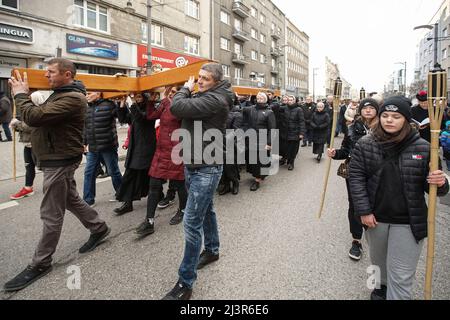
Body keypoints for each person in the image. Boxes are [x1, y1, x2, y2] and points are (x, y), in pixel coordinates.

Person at [5, 58, 110, 292]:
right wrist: (20, 125)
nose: (46, 76)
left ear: (67, 75)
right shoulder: (59, 94)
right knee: (70, 200)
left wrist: (20, 95)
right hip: (55, 158)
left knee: (51, 213)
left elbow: (36, 117)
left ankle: (41, 263)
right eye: (46, 72)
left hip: (60, 160)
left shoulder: (73, 98)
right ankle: (99, 227)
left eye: (51, 72)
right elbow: (42, 124)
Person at [349, 96, 449, 300]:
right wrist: (364, 211)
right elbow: (356, 178)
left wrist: (441, 183)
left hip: (408, 222)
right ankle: (378, 290)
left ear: (406, 119)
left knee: (401, 276)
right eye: (385, 115)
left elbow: (434, 186)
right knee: (377, 264)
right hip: (375, 219)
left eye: (396, 116)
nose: (389, 120)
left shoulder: (423, 147)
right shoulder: (365, 144)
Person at [163, 62, 233, 300]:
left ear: (216, 82)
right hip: (194, 163)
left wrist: (184, 89)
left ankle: (186, 282)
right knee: (207, 210)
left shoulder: (216, 99)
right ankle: (212, 250)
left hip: (207, 167)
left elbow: (178, 107)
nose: (199, 81)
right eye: (199, 77)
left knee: (191, 222)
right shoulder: (208, 94)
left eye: (205, 78)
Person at [327, 98, 379, 260]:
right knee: (356, 205)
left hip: (378, 173)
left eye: (372, 108)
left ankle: (377, 238)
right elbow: (345, 151)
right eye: (365, 108)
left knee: (376, 204)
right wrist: (335, 153)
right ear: (360, 110)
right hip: (354, 172)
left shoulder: (384, 128)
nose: (368, 110)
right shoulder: (352, 129)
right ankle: (356, 240)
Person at [135, 86, 187, 237]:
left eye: (175, 91)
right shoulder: (165, 103)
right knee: (154, 185)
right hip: (161, 150)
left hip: (177, 151)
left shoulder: (184, 105)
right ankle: (149, 221)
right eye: (170, 91)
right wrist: (151, 102)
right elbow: (150, 116)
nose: (172, 93)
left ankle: (182, 210)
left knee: (179, 184)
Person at [114, 92, 156, 215]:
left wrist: (131, 102)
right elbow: (123, 119)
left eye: (139, 97)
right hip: (136, 148)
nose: (136, 99)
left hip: (145, 148)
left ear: (145, 98)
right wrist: (122, 103)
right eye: (135, 97)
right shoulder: (136, 108)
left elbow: (140, 117)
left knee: (149, 175)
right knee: (130, 175)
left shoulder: (150, 108)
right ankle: (128, 203)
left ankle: (158, 195)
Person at [83, 92, 122, 207]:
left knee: (113, 171)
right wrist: (84, 143)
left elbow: (122, 117)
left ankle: (121, 194)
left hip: (108, 146)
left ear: (98, 93)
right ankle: (88, 200)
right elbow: (86, 127)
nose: (87, 95)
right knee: (89, 173)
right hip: (93, 147)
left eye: (90, 93)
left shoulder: (109, 105)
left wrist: (120, 103)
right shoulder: (87, 108)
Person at [9, 91, 45, 200]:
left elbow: (32, 127)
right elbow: (24, 128)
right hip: (28, 145)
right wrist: (15, 126)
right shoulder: (28, 111)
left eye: (31, 99)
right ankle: (28, 188)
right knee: (29, 167)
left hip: (37, 145)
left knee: (45, 168)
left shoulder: (41, 112)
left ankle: (58, 186)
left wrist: (18, 124)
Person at [245, 92, 277, 189]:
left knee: (260, 160)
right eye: (258, 98)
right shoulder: (251, 109)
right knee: (253, 159)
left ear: (266, 99)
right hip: (252, 138)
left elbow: (272, 129)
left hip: (263, 139)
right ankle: (259, 174)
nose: (259, 99)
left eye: (262, 98)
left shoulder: (269, 112)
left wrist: (269, 143)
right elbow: (241, 110)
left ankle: (257, 180)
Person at [280, 95, 305, 170]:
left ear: (294, 101)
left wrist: (301, 133)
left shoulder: (299, 109)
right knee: (286, 148)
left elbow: (301, 121)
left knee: (293, 149)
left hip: (295, 132)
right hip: (286, 132)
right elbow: (276, 108)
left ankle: (291, 163)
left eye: (291, 100)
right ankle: (285, 159)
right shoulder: (285, 108)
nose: (290, 101)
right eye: (289, 100)